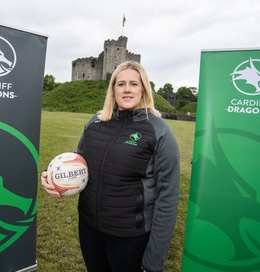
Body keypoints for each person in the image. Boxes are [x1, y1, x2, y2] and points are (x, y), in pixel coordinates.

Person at [41, 61, 180, 272]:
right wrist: (53, 177)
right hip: (89, 229)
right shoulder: (95, 122)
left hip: (129, 238)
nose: (126, 89)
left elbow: (167, 198)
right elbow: (79, 163)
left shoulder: (158, 131)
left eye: (134, 83)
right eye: (120, 83)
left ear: (143, 88)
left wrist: (154, 260)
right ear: (112, 88)